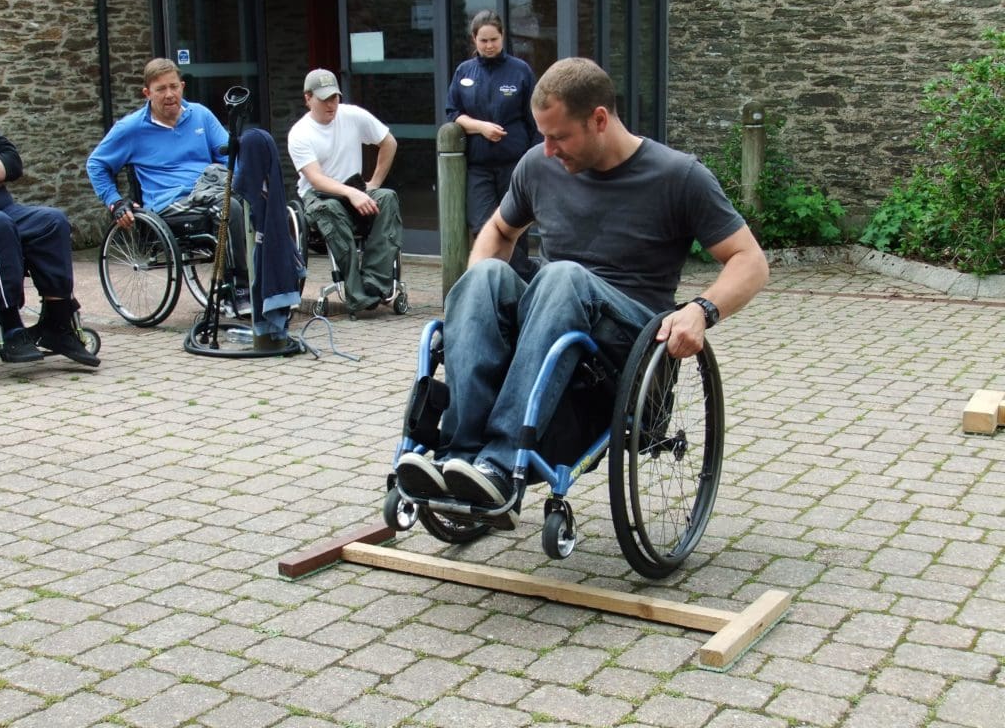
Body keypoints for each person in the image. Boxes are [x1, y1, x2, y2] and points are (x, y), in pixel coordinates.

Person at [396, 57, 769, 529]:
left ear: (599, 119)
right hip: (552, 317)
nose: (547, 150)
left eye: (559, 137)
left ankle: (503, 461)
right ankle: (463, 455)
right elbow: (498, 230)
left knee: (561, 275)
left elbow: (750, 261)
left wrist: (702, 310)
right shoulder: (538, 166)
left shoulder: (679, 177)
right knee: (484, 276)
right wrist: (476, 301)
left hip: (626, 341)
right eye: (541, 136)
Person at [86, 58, 250, 313]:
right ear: (147, 93)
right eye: (161, 89)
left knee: (257, 203)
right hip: (169, 203)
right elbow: (96, 164)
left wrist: (243, 184)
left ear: (182, 86)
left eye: (174, 87)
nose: (169, 94)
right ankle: (239, 289)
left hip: (210, 189)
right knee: (230, 209)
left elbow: (229, 158)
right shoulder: (131, 129)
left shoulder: (201, 116)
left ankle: (280, 283)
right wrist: (115, 201)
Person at [0, 117, 100, 367]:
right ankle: (10, 324)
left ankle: (56, 323)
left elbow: (12, 164)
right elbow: (0, 168)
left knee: (52, 221)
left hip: (3, 208)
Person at [287, 68, 403, 314]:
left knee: (387, 198)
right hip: (320, 197)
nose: (331, 104)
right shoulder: (299, 133)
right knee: (329, 210)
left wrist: (374, 184)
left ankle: (375, 283)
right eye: (324, 99)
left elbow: (388, 142)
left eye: (335, 97)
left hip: (355, 189)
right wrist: (351, 194)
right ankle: (355, 292)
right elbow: (316, 179)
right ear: (308, 98)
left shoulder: (352, 115)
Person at [446, 9, 541, 277]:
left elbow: (534, 120)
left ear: (503, 38)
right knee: (482, 226)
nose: (489, 46)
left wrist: (534, 161)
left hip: (514, 165)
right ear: (474, 39)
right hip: (479, 167)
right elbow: (453, 113)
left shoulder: (520, 71)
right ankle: (527, 276)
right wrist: (480, 127)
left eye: (494, 40)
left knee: (515, 229)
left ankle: (517, 287)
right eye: (483, 40)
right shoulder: (464, 71)